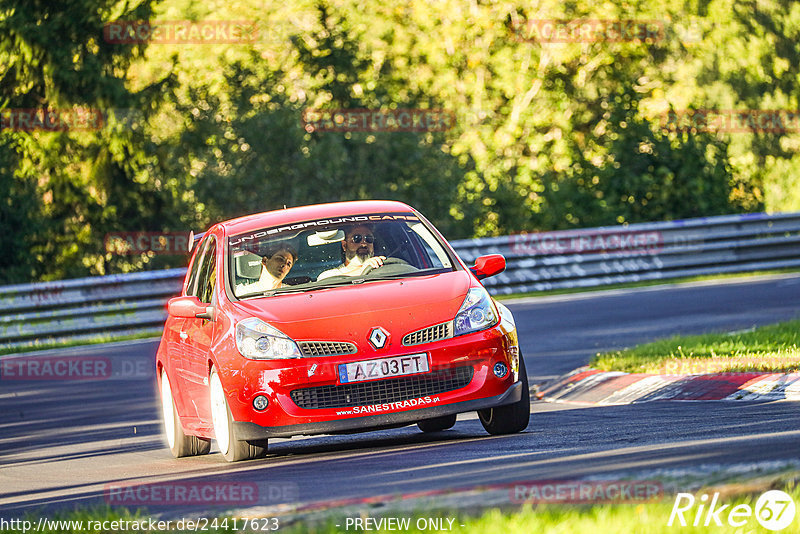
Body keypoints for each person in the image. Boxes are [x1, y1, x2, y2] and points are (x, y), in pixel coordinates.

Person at [317, 225, 386, 280]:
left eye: (369, 239)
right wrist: (364, 270)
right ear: (344, 245)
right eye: (357, 238)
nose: (364, 244)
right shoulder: (329, 275)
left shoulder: (385, 267)